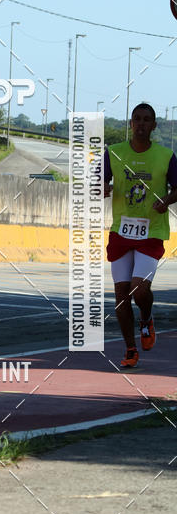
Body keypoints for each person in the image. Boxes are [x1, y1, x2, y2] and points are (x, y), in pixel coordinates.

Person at [104, 103, 177, 367]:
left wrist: (167, 200)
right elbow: (98, 181)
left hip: (151, 232)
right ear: (131, 124)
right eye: (137, 119)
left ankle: (146, 317)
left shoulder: (165, 156)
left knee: (138, 288)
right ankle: (130, 349)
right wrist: (101, 188)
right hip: (121, 232)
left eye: (147, 120)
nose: (142, 124)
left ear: (154, 125)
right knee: (121, 294)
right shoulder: (113, 153)